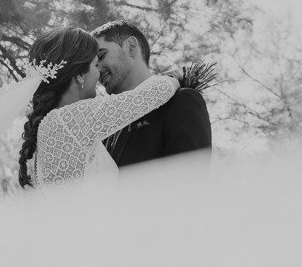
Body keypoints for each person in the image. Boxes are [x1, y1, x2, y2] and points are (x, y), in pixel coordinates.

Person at [17, 27, 180, 187]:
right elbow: (159, 90)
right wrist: (176, 76)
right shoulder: (69, 118)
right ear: (80, 74)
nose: (99, 73)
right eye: (95, 65)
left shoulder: (54, 123)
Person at [91, 20, 212, 167]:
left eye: (101, 55)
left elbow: (189, 183)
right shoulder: (106, 126)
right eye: (92, 65)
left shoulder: (181, 102)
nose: (96, 70)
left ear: (131, 47)